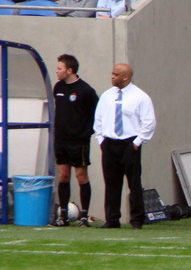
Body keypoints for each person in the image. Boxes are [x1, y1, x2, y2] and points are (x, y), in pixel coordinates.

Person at [93, 63, 156, 229]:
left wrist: (136, 143)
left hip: (130, 143)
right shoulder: (107, 96)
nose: (112, 77)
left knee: (133, 183)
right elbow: (98, 119)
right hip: (110, 143)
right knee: (111, 182)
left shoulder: (140, 97)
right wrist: (101, 140)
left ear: (125, 77)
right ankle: (112, 219)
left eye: (116, 74)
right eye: (112, 73)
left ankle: (137, 219)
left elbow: (148, 123)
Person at [51, 54, 99, 227]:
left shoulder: (86, 91)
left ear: (69, 70)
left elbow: (97, 115)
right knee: (63, 176)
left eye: (59, 68)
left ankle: (84, 216)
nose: (56, 71)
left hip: (79, 141)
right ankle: (63, 215)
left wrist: (87, 132)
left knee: (81, 176)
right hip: (61, 140)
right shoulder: (58, 87)